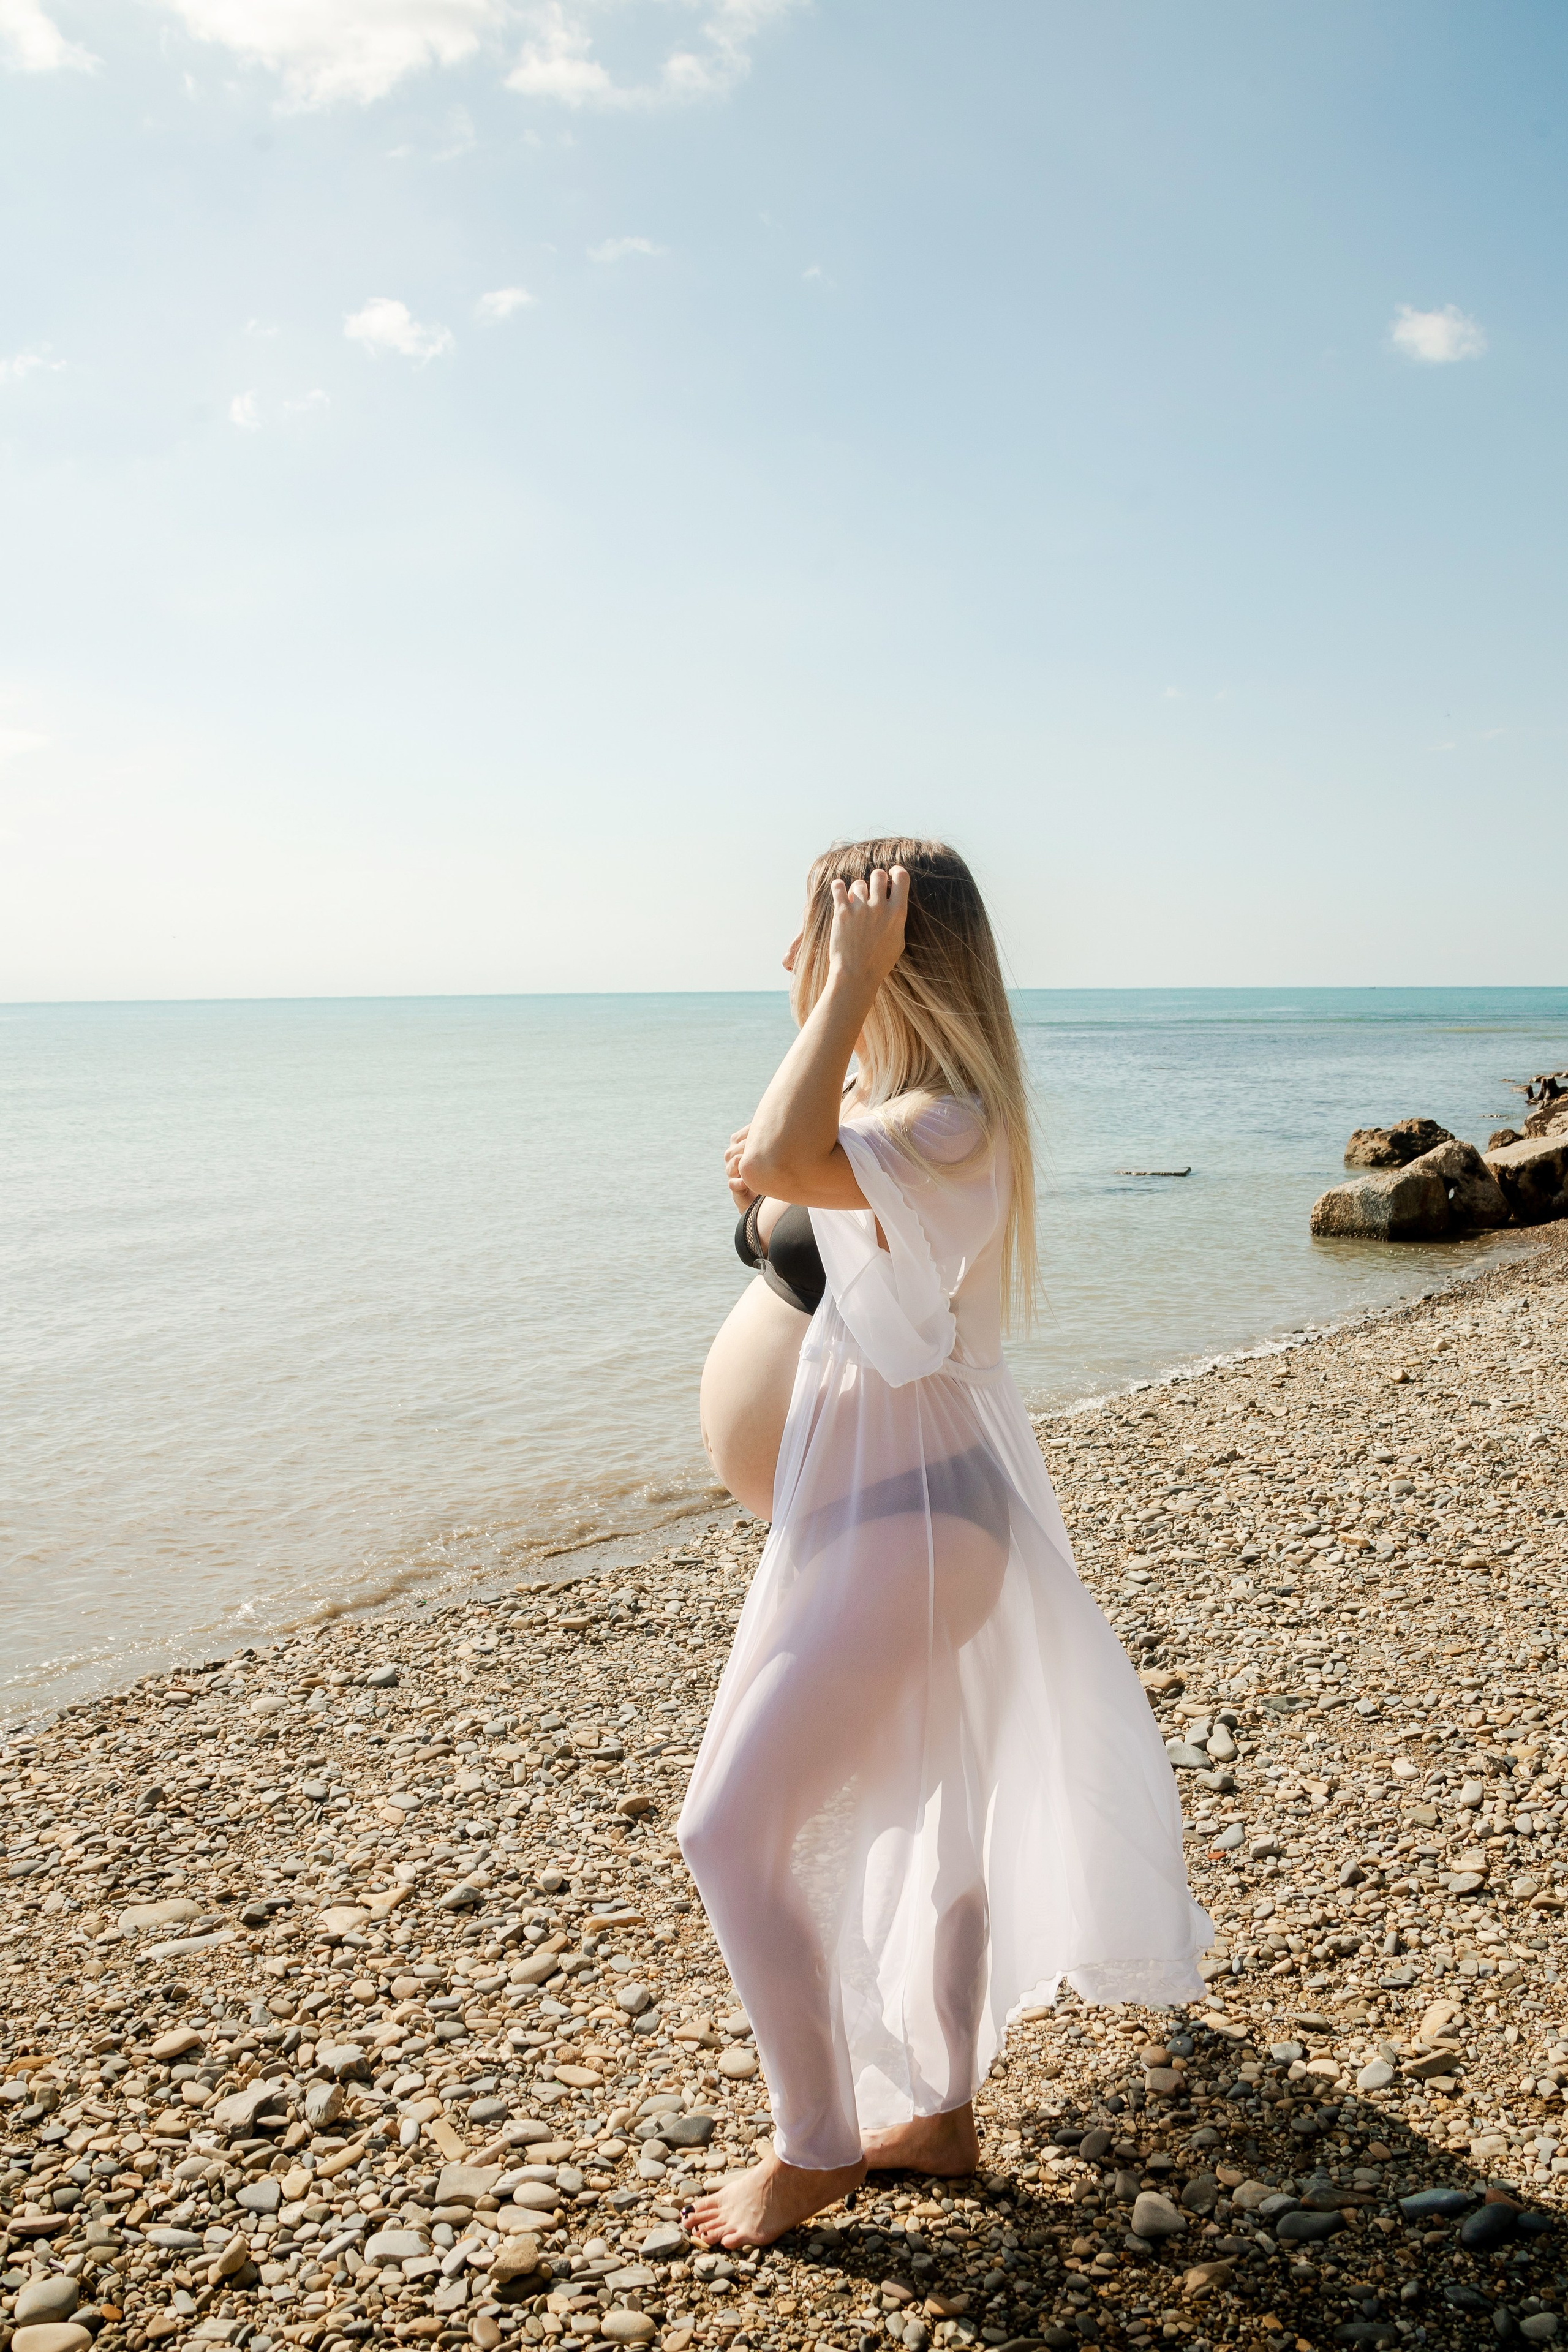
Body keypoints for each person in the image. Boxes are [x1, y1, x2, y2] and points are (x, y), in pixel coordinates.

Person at [682, 837, 1211, 2251]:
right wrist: (831, 1034)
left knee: (724, 1829)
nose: (786, 961)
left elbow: (777, 1161)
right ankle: (936, 2118)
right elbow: (771, 1174)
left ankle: (814, 2148)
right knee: (934, 1807)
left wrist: (843, 989)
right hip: (875, 1515)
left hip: (913, 1520)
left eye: (812, 936)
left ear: (886, 957)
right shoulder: (888, 1105)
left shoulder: (948, 1124)